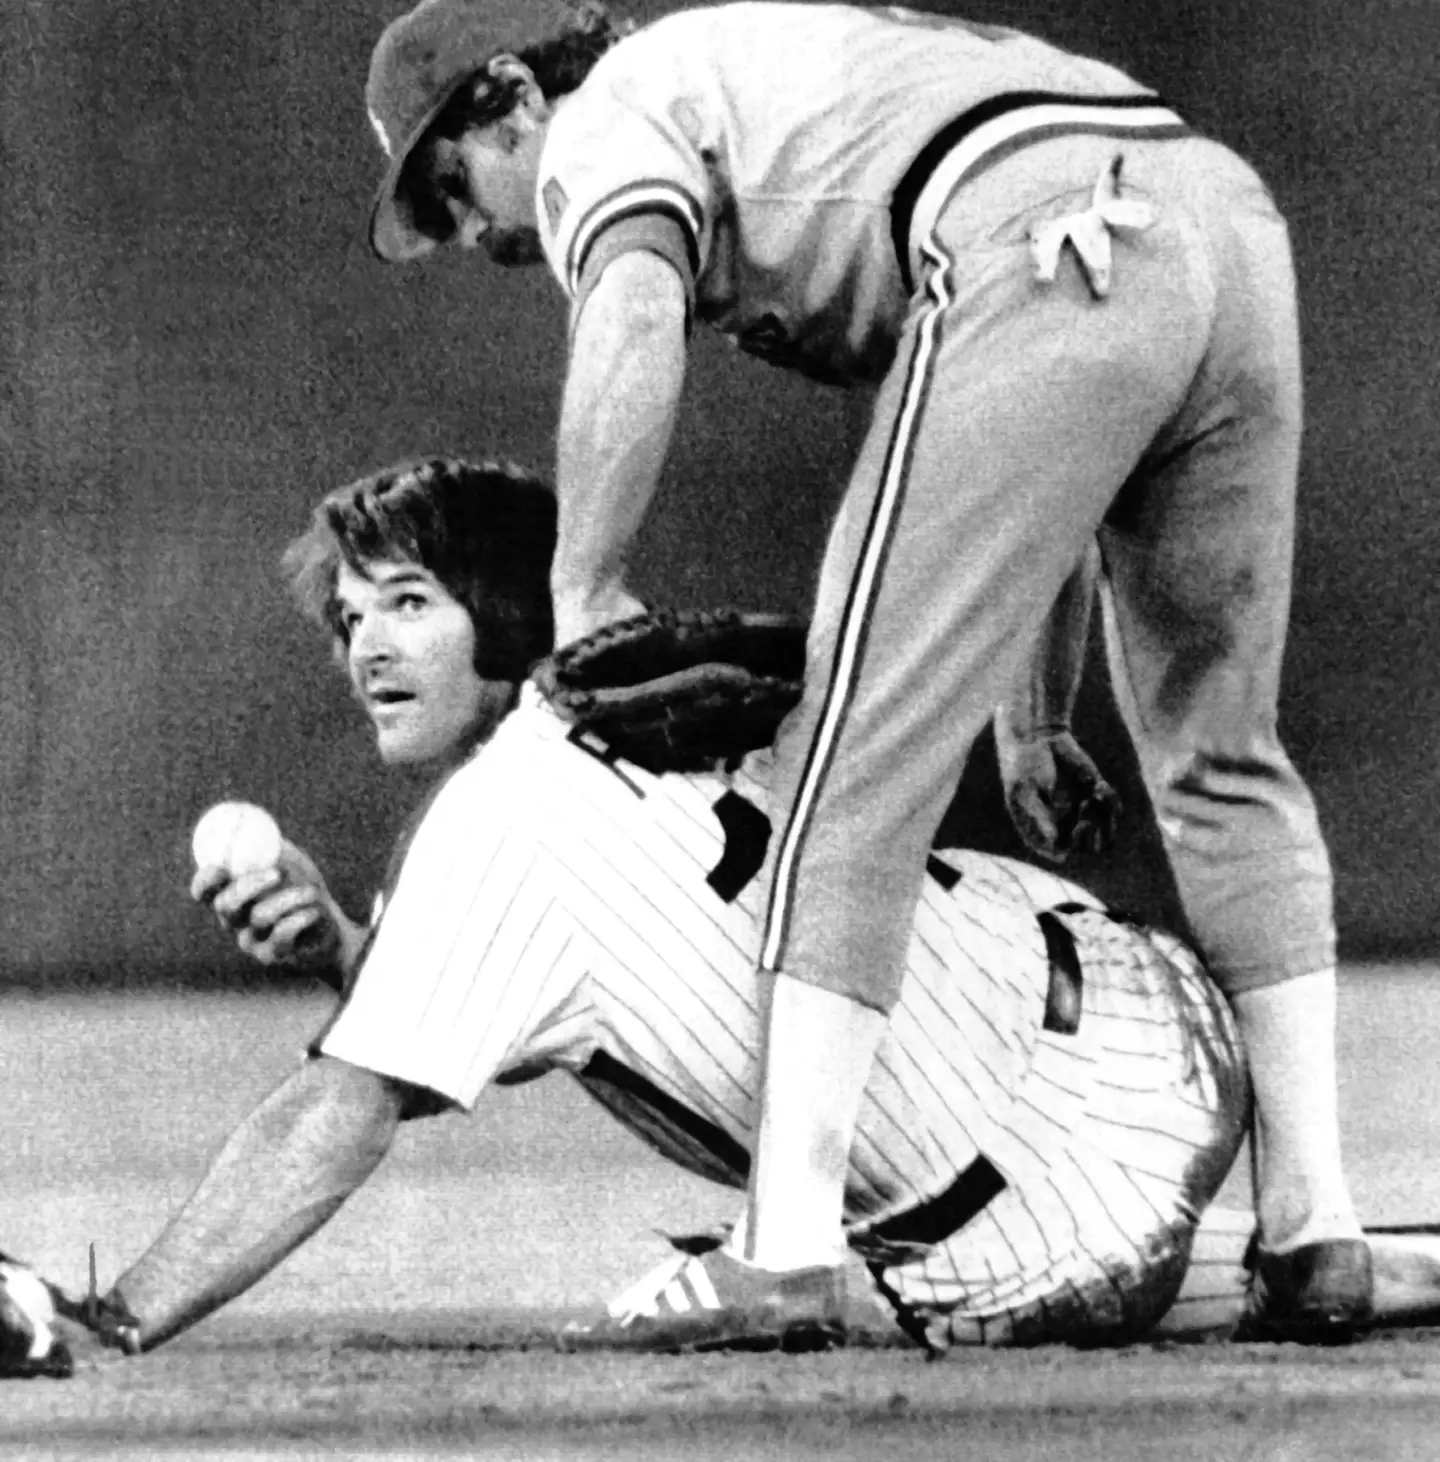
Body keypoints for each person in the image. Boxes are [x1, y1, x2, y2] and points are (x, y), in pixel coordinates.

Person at [360, 0, 1371, 1343]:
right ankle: (1318, 1231)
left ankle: (785, 1246)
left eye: (449, 180)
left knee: (845, 758)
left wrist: (583, 579)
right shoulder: (769, 95)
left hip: (1039, 232)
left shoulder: (609, 117)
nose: (471, 229)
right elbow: (1035, 430)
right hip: (1214, 222)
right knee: (1222, 752)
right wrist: (1032, 714)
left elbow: (634, 315)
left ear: (516, 93)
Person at [0, 454, 1374, 1377]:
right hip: (1148, 1014)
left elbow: (341, 1109)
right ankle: (1361, 1249)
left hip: (1049, 1227)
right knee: (1237, 1277)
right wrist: (340, 953)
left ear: (500, 605)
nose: (364, 645)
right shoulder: (654, 694)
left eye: (408, 602)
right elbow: (536, 987)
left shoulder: (494, 823)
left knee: (649, 1320)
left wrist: (117, 1312)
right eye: (350, 616)